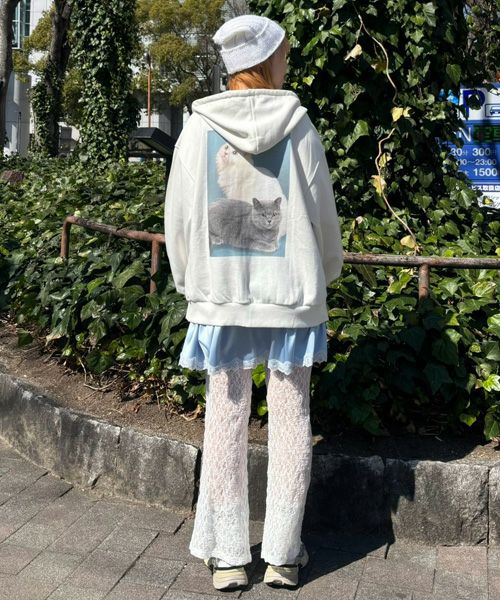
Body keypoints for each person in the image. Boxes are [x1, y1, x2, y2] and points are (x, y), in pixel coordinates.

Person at [164, 13, 344, 592]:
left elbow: (179, 217)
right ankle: (284, 556)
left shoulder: (198, 129)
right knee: (292, 418)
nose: (286, 62)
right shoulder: (299, 126)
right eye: (283, 54)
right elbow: (322, 215)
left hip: (221, 296)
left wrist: (190, 281)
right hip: (290, 294)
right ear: (268, 60)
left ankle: (228, 556)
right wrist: (326, 274)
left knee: (225, 416)